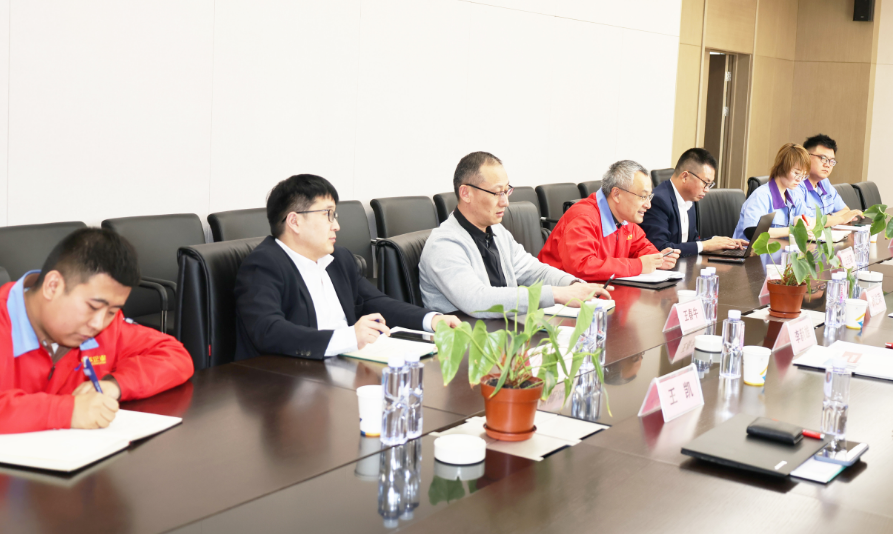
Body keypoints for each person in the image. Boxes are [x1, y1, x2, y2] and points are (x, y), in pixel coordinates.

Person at [235, 174, 460, 361]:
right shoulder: (263, 265)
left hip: (345, 367)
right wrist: (349, 337)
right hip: (286, 381)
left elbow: (375, 302)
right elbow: (269, 330)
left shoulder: (339, 258)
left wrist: (432, 320)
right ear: (294, 221)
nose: (336, 225)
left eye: (335, 215)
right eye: (327, 215)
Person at [0, 228, 194, 434]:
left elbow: (175, 355)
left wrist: (114, 385)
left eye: (112, 311)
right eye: (93, 307)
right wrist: (67, 411)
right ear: (53, 286)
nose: (98, 324)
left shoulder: (109, 328)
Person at [419, 152, 611, 319]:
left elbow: (535, 272)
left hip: (505, 332)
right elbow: (477, 300)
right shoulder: (443, 244)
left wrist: (574, 285)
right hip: (468, 343)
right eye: (497, 193)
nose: (505, 202)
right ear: (466, 193)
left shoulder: (497, 231)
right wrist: (556, 294)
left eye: (506, 191)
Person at [538, 160, 680, 282]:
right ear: (617, 194)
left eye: (649, 197)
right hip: (557, 297)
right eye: (643, 197)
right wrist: (639, 265)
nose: (648, 205)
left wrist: (658, 259)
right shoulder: (583, 217)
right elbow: (582, 267)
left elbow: (641, 247)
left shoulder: (625, 219)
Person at [640, 148, 747, 256]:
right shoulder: (658, 200)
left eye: (710, 185)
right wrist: (704, 245)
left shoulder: (690, 200)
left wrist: (719, 242)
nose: (707, 190)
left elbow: (691, 241)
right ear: (685, 176)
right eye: (705, 183)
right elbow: (660, 248)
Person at [733, 143, 810, 241]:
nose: (800, 179)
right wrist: (793, 230)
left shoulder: (793, 195)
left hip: (780, 249)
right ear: (782, 167)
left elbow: (808, 219)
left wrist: (802, 222)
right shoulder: (761, 195)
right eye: (797, 173)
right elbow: (752, 232)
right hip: (750, 249)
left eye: (804, 175)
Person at [801, 134, 863, 226]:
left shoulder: (824, 182)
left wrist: (830, 218)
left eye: (831, 161)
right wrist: (839, 219)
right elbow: (806, 222)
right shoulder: (796, 184)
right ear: (806, 156)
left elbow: (845, 210)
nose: (828, 165)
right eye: (823, 158)